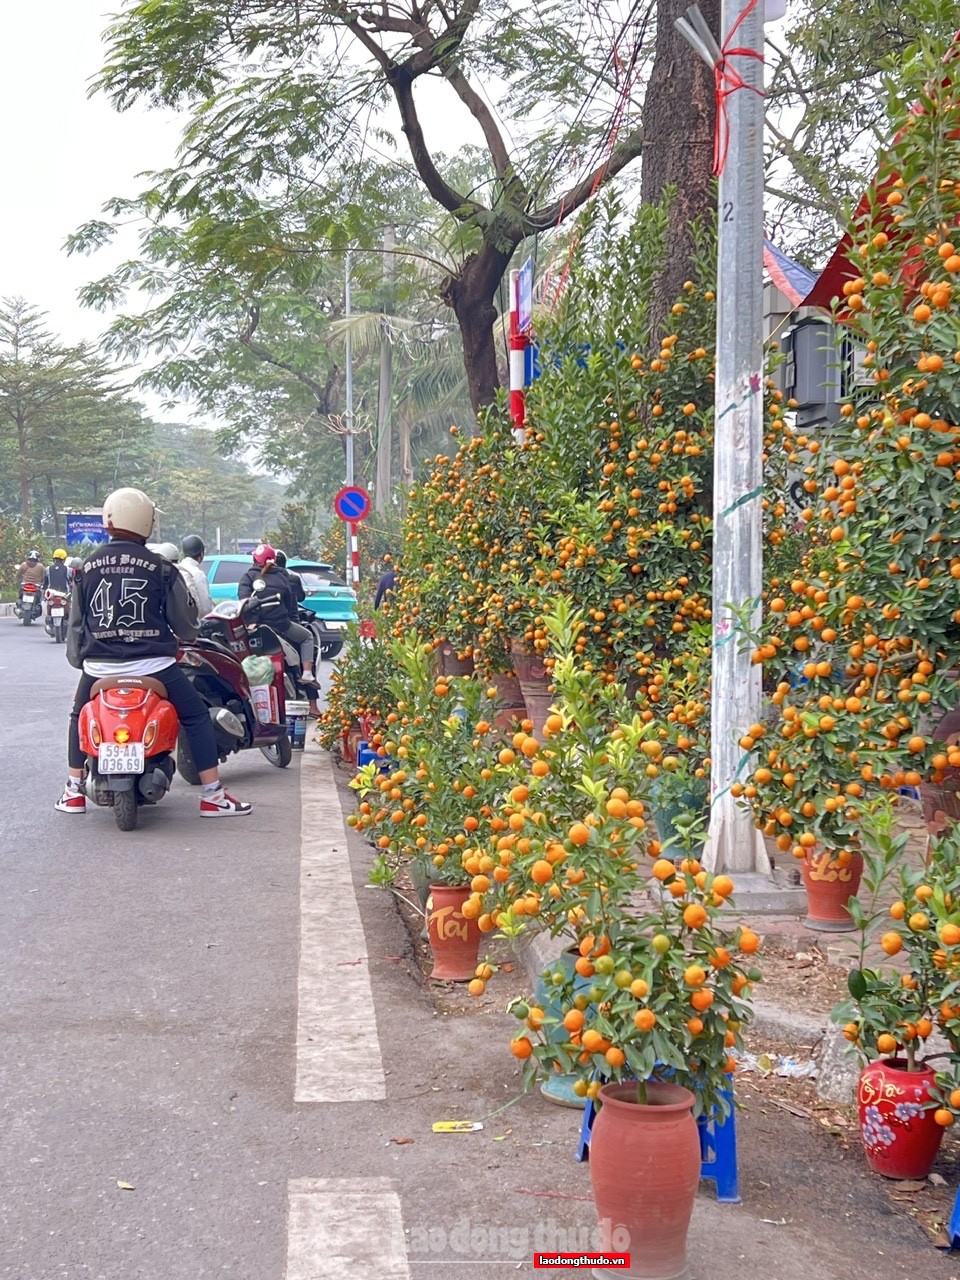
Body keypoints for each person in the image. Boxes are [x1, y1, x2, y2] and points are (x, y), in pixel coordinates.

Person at [57, 486, 251, 818]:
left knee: (78, 715)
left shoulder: (87, 568)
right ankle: (212, 796)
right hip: (155, 666)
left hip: (99, 668)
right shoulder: (161, 568)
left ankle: (73, 791)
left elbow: (76, 625)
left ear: (108, 519)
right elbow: (187, 625)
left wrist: (82, 662)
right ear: (146, 522)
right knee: (194, 717)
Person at [237, 544, 318, 687]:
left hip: (255, 627)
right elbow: (290, 603)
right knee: (307, 637)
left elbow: (243, 602)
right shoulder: (283, 577)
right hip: (282, 625)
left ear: (255, 560)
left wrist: (252, 620)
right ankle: (307, 674)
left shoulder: (248, 577)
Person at [180, 534, 214, 617]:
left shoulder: (178, 569)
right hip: (195, 624)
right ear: (201, 554)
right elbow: (206, 608)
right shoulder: (198, 574)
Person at [42, 548, 71, 626]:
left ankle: (49, 617)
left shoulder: (48, 569)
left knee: (48, 606)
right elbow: (71, 580)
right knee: (70, 609)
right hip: (64, 594)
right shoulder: (67, 569)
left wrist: (44, 593)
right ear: (64, 558)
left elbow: (45, 583)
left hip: (51, 594)